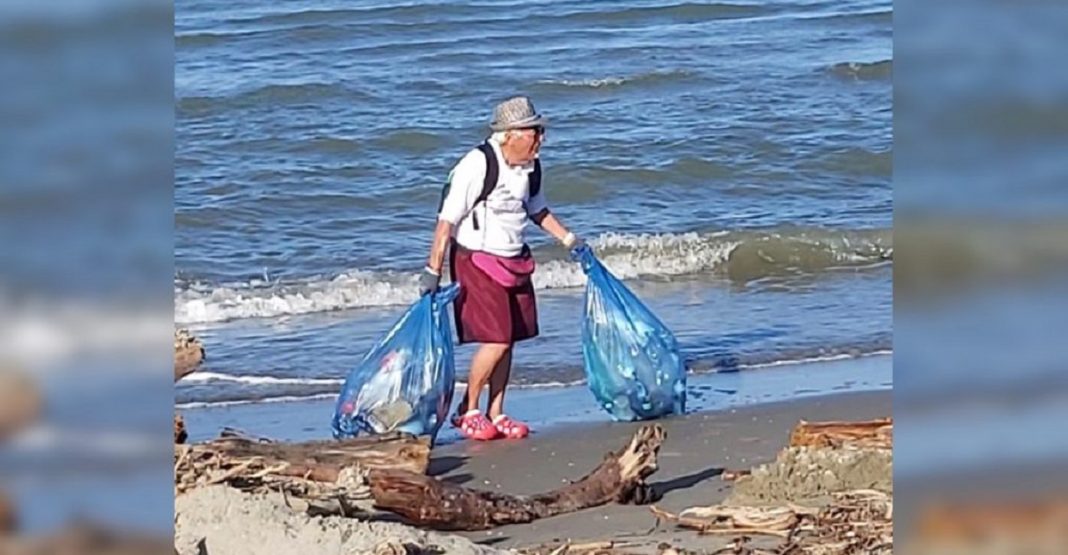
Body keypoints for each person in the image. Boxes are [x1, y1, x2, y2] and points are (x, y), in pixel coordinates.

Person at [419, 95, 585, 441]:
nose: (540, 139)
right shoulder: (477, 165)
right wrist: (432, 271)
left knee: (511, 340)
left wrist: (571, 240)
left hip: (514, 259)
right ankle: (469, 409)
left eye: (541, 132)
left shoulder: (531, 167)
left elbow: (537, 210)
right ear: (509, 134)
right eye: (534, 132)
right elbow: (445, 223)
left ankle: (495, 412)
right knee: (497, 338)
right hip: (476, 260)